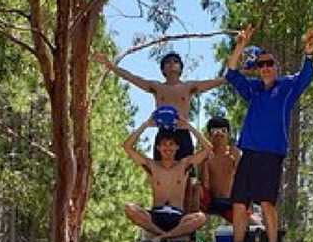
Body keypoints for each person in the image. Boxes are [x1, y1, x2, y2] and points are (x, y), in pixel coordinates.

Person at [220, 25, 313, 242]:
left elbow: (307, 75)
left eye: (269, 64)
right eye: (261, 65)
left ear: (276, 67)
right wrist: (240, 46)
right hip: (249, 153)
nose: (265, 68)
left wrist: (309, 54)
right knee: (239, 203)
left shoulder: (287, 88)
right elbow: (231, 73)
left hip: (271, 154)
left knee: (267, 202)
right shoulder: (252, 89)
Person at [95, 51, 225, 160]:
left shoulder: (188, 87)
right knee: (159, 171)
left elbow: (214, 82)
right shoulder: (157, 87)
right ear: (163, 69)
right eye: (168, 62)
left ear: (180, 68)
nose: (172, 64)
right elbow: (132, 78)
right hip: (163, 132)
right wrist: (110, 65)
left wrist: (237, 75)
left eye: (175, 61)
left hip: (183, 131)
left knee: (186, 175)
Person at [122, 116, 210, 240]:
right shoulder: (152, 165)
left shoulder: (184, 165)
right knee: (129, 208)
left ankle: (164, 237)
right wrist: (145, 125)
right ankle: (162, 234)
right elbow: (127, 147)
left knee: (201, 217)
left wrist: (189, 127)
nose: (167, 148)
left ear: (177, 147)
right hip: (156, 216)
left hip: (177, 217)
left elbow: (208, 149)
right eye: (164, 145)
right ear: (158, 148)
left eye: (171, 144)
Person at [200, 117, 241, 222]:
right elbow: (205, 184)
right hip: (211, 201)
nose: (219, 135)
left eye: (223, 131)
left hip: (231, 201)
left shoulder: (234, 153)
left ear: (228, 134)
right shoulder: (205, 155)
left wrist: (236, 160)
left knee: (253, 221)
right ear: (209, 135)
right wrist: (206, 162)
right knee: (195, 187)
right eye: (215, 131)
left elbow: (242, 180)